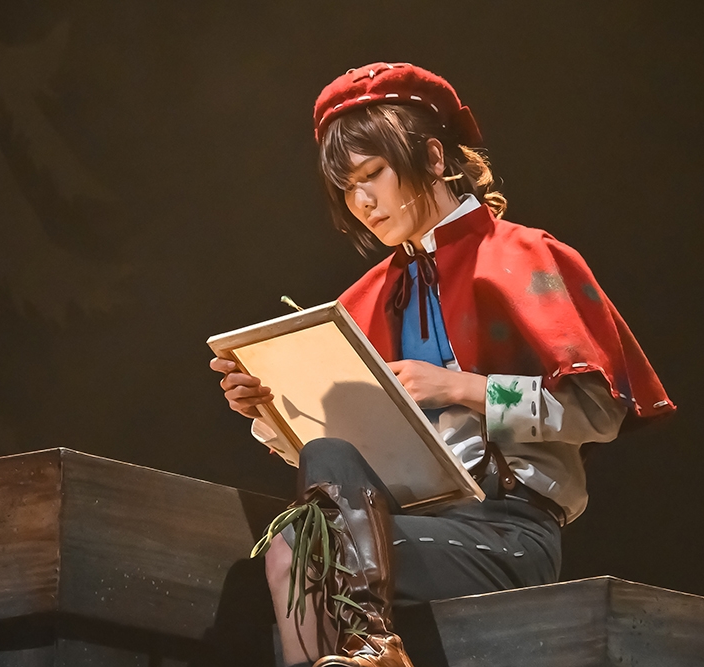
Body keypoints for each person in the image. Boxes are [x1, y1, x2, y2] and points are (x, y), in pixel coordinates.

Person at [210, 62, 675, 667]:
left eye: (372, 174)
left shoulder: (524, 256)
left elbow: (598, 413)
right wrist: (269, 407)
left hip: (506, 530)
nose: (362, 202)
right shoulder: (365, 300)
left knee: (307, 558)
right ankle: (372, 651)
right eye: (346, 188)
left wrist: (463, 388)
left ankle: (373, 649)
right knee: (308, 508)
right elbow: (345, 453)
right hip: (395, 531)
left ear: (433, 157)